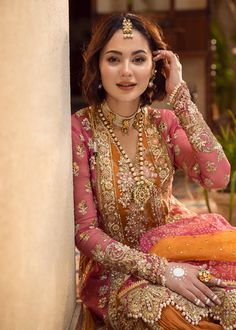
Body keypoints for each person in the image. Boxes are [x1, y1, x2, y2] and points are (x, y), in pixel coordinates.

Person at [71, 13, 236, 329]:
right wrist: (161, 271)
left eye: (138, 59)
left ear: (155, 66)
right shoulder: (82, 130)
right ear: (97, 66)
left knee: (226, 299)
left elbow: (217, 177)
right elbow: (85, 232)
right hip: (117, 271)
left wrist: (180, 96)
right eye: (114, 59)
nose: (126, 71)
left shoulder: (165, 124)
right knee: (165, 313)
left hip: (177, 250)